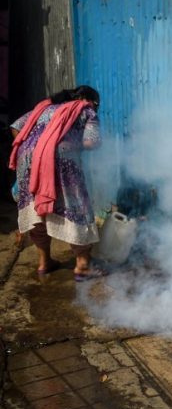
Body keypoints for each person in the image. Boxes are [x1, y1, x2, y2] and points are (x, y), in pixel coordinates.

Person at [9, 86, 103, 280]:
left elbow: (15, 127)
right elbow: (91, 142)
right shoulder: (86, 109)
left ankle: (45, 262)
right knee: (77, 207)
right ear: (89, 99)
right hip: (62, 158)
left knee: (36, 208)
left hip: (27, 159)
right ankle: (83, 266)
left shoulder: (44, 108)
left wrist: (35, 148)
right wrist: (65, 146)